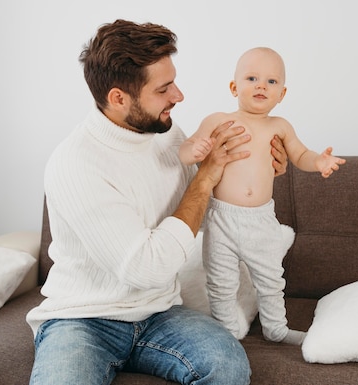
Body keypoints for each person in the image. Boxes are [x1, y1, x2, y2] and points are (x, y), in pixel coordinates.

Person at [26, 20, 290, 385]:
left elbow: (213, 200)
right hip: (82, 319)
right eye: (164, 88)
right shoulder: (75, 164)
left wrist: (259, 168)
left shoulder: (164, 134)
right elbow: (145, 268)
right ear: (119, 98)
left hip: (160, 313)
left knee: (228, 366)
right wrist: (205, 177)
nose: (179, 96)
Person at [179, 47, 345, 346]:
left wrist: (319, 162)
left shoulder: (279, 126)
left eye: (271, 81)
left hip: (261, 219)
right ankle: (227, 331)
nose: (261, 86)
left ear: (282, 93)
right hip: (222, 218)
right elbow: (186, 147)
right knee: (221, 282)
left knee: (270, 280)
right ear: (234, 87)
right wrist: (195, 151)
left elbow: (300, 154)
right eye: (252, 78)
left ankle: (276, 328)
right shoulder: (218, 120)